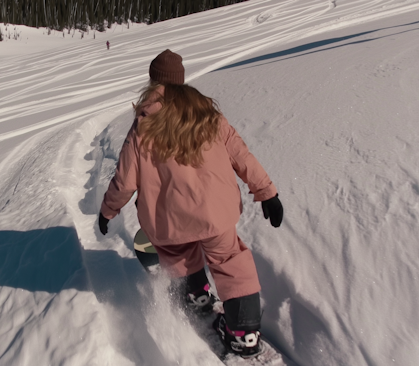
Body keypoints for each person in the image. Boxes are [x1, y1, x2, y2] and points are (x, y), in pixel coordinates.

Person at [97, 49, 284, 358]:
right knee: (230, 262)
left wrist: (108, 211)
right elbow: (242, 157)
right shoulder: (208, 115)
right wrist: (266, 192)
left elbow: (124, 180)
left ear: (153, 81)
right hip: (216, 214)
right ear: (180, 82)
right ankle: (245, 333)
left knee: (177, 255)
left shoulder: (143, 125)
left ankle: (196, 295)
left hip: (169, 221)